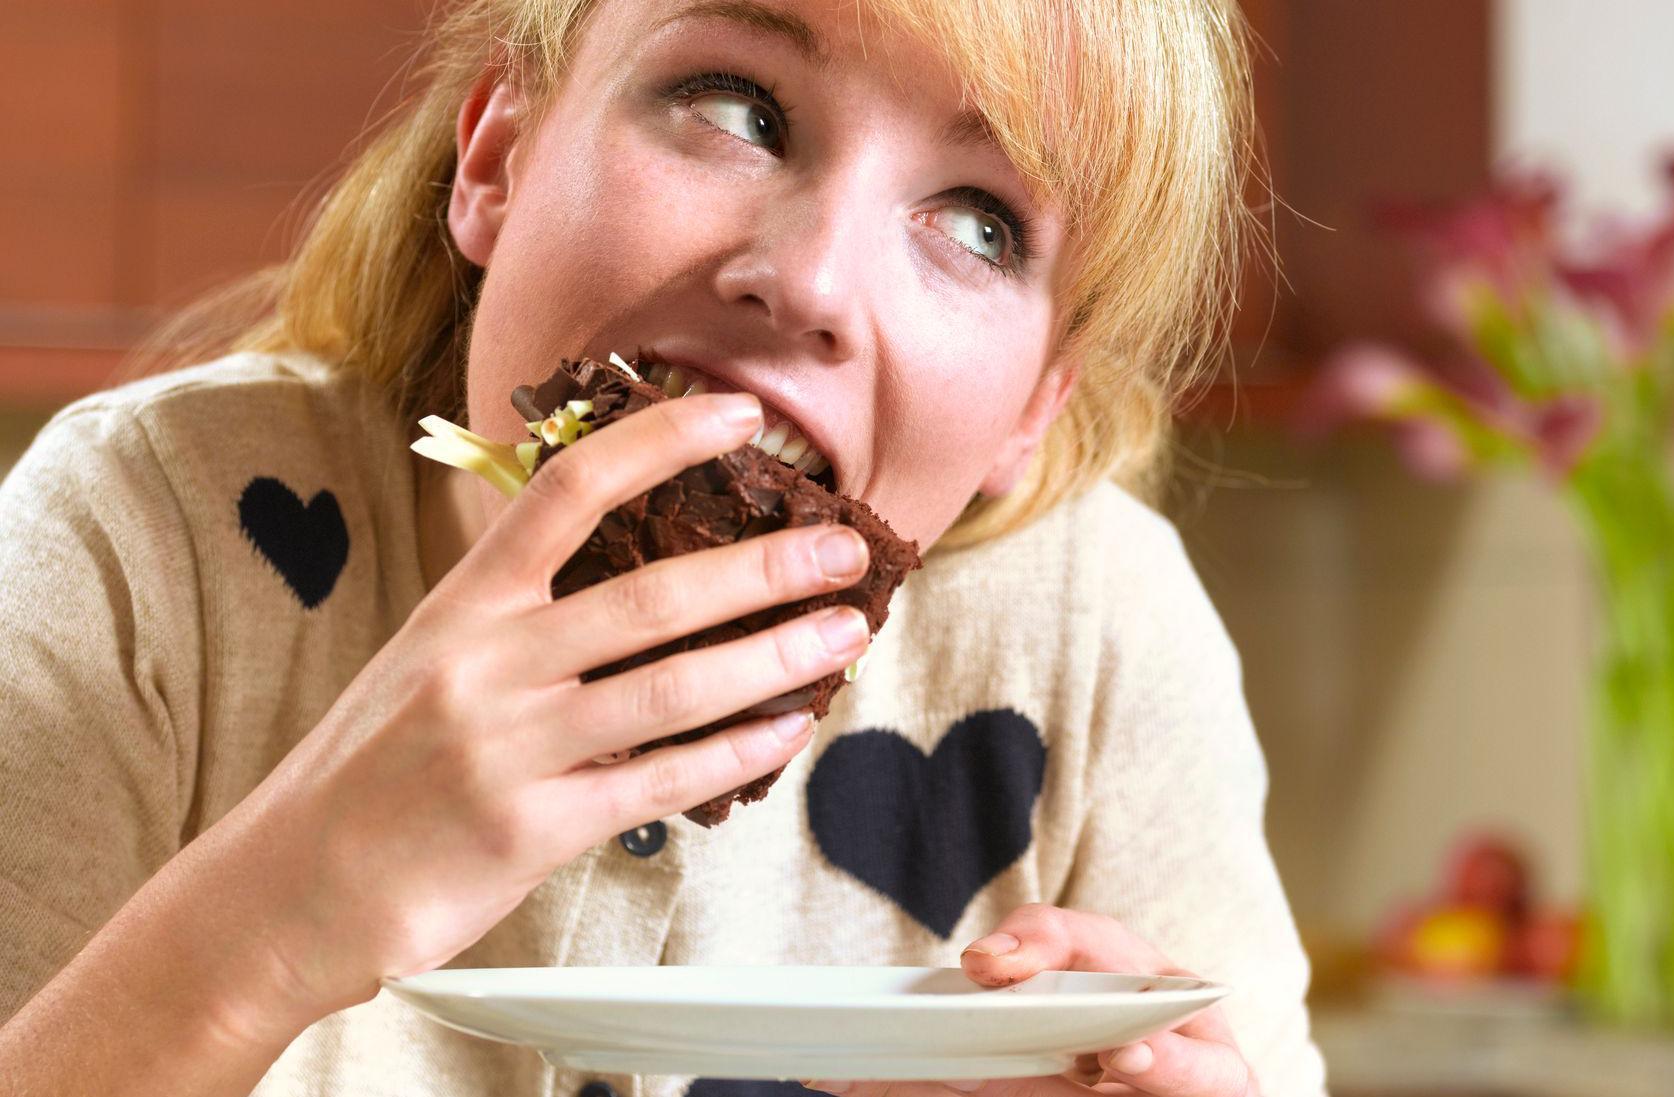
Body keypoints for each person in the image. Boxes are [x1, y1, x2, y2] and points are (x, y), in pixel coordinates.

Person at [0, 0, 1327, 1093]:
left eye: (979, 220)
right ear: (495, 159)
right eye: (737, 109)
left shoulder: (1092, 628)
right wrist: (266, 920)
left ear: (1033, 407)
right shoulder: (151, 534)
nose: (808, 280)